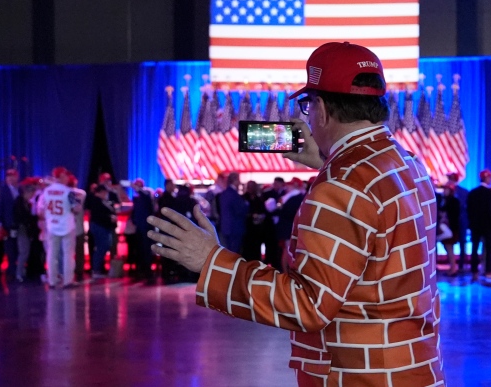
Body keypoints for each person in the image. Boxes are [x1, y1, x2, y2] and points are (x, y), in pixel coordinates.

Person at [148, 41, 446, 386]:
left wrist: (210, 262)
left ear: (320, 109)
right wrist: (328, 163)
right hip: (413, 367)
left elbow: (308, 305)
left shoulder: (342, 186)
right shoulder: (407, 164)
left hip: (359, 376)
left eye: (307, 106)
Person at [38, 167, 80, 288]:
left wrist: (49, 217)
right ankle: (68, 280)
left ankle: (52, 280)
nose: (68, 178)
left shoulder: (46, 191)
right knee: (68, 254)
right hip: (67, 225)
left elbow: (40, 211)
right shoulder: (68, 192)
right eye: (66, 176)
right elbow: (76, 208)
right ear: (61, 177)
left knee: (52, 254)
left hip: (52, 226)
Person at [467, 169, 491, 281]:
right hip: (487, 225)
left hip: (475, 225)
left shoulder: (472, 192)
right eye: (489, 177)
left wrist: (470, 223)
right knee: (488, 249)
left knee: (475, 248)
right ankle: (488, 271)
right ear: (485, 178)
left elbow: (469, 210)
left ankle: (474, 271)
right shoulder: (490, 193)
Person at [273, 177, 305, 273]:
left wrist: (281, 208)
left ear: (295, 185)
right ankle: (286, 272)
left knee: (288, 251)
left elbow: (291, 212)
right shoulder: (287, 196)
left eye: (290, 184)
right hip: (286, 228)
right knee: (286, 250)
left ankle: (286, 272)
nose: (287, 186)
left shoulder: (297, 197)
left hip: (289, 227)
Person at [85, 184, 117, 279]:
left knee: (103, 246)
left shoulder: (103, 201)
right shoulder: (96, 201)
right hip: (99, 226)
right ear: (100, 192)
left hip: (103, 226)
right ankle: (96, 269)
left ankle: (97, 269)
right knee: (102, 247)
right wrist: (109, 218)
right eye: (105, 192)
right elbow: (98, 215)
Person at [12, 179, 39, 282]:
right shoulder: (19, 202)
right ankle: (19, 273)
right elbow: (21, 217)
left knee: (25, 251)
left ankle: (21, 271)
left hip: (26, 230)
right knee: (23, 252)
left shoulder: (26, 203)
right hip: (22, 230)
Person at [0, 168, 20, 278]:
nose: (10, 179)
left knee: (17, 246)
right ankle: (11, 269)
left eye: (13, 176)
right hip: (7, 223)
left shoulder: (19, 190)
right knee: (9, 247)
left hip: (18, 223)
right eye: (8, 177)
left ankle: (17, 267)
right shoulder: (3, 190)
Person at [217, 172, 248, 255]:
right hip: (235, 229)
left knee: (227, 253)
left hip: (226, 228)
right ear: (235, 180)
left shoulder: (224, 194)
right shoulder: (234, 194)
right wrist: (246, 205)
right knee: (234, 254)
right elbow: (239, 210)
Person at [130, 179, 155, 280]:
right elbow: (135, 210)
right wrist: (133, 220)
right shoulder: (136, 197)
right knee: (139, 248)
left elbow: (147, 197)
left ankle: (147, 270)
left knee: (146, 248)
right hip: (139, 226)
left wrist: (138, 189)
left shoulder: (147, 193)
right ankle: (140, 269)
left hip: (146, 226)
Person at [446, 173, 470, 272]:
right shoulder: (448, 191)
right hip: (452, 222)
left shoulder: (463, 192)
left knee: (462, 242)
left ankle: (460, 265)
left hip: (460, 221)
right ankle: (455, 266)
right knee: (450, 243)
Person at [242, 180, 268, 263]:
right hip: (247, 228)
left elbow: (263, 211)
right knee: (247, 248)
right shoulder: (243, 198)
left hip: (257, 229)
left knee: (256, 248)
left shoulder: (259, 198)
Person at [439, 184, 461, 276]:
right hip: (448, 228)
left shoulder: (453, 201)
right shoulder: (444, 200)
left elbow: (454, 215)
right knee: (448, 248)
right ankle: (452, 268)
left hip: (451, 228)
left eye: (446, 189)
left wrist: (444, 215)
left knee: (449, 248)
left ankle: (453, 269)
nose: (444, 191)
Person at [68, 175, 87, 280]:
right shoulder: (82, 193)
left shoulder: (66, 192)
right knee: (79, 250)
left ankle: (70, 271)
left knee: (68, 251)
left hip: (70, 225)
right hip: (76, 225)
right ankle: (79, 271)